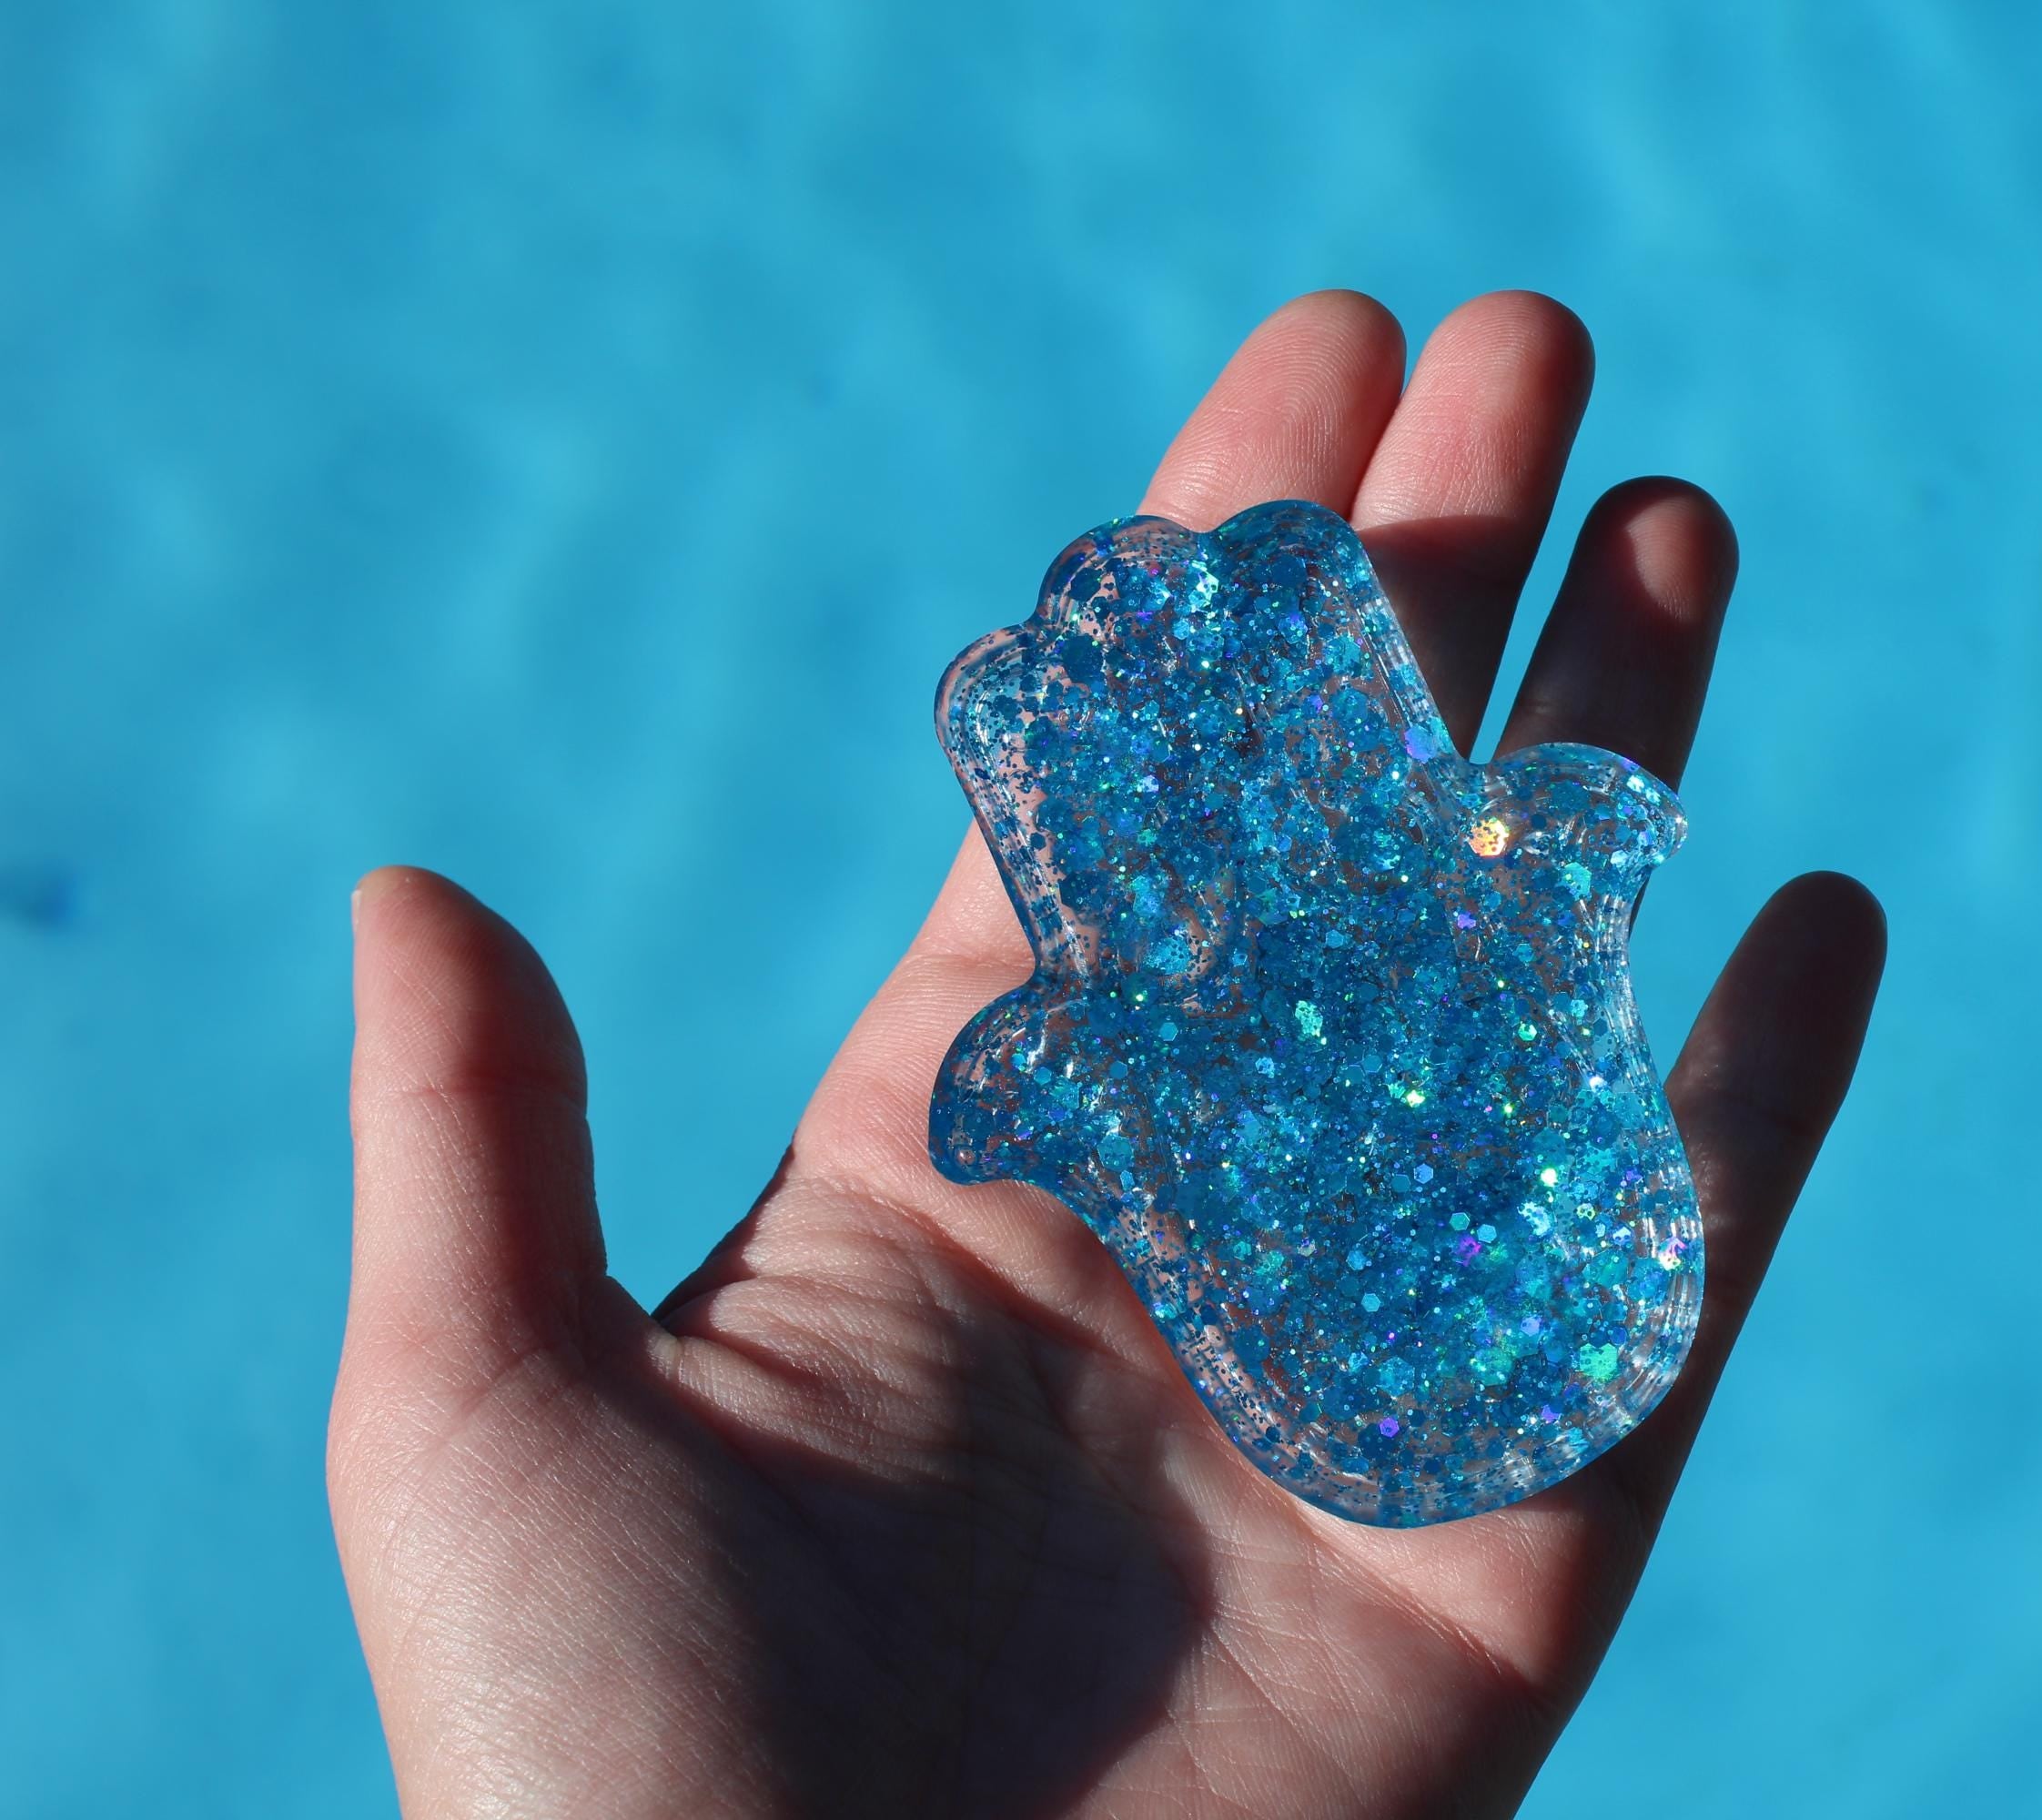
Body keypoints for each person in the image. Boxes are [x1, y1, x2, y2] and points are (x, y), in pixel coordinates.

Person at [335, 289, 1885, 1817]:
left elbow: (1553, 867)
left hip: (1564, 1291)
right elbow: (1032, 1096)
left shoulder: (1325, 915)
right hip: (1450, 1329)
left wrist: (1542, 862)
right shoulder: (1172, 988)